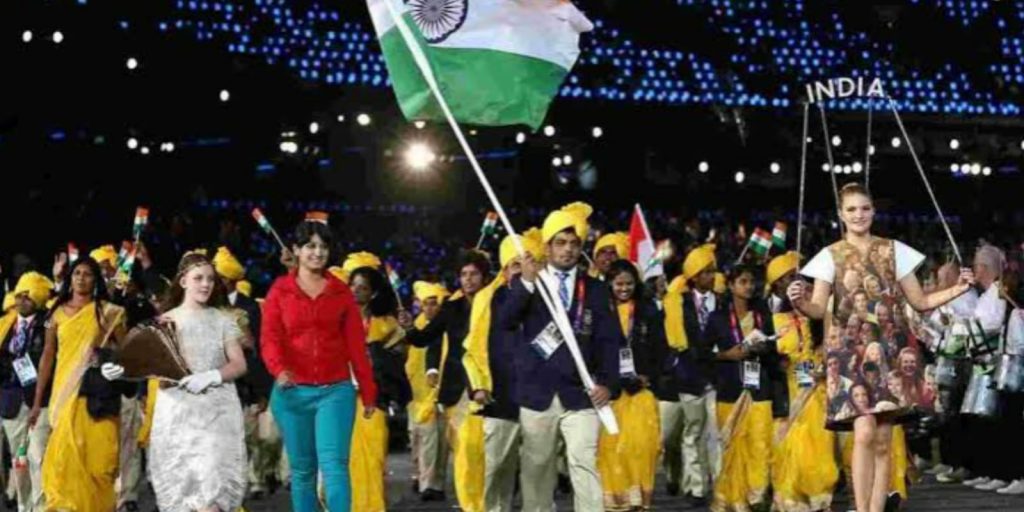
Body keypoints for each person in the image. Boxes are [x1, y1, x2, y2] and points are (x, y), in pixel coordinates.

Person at [789, 182, 974, 512]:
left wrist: (957, 289)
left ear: (873, 211)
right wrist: (802, 301)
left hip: (891, 348)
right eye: (851, 210)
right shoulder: (829, 256)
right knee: (863, 433)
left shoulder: (895, 250)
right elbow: (818, 309)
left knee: (884, 440)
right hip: (847, 353)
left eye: (864, 208)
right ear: (841, 215)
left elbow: (919, 302)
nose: (859, 215)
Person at [496, 202, 622, 512]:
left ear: (581, 247)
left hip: (583, 394)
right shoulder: (528, 283)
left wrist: (609, 384)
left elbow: (611, 342)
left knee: (585, 464)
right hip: (537, 393)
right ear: (548, 246)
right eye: (560, 243)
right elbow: (505, 322)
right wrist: (525, 282)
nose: (567, 250)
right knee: (537, 470)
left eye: (574, 243)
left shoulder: (595, 290)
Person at [115, 251, 249, 511]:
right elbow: (150, 366)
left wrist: (212, 376)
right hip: (176, 412)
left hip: (216, 412)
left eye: (210, 278)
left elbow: (239, 363)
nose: (206, 284)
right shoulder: (165, 321)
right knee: (181, 491)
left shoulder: (223, 319)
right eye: (198, 278)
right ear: (183, 281)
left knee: (213, 487)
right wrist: (120, 369)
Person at [261, 218, 378, 512]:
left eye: (323, 246)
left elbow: (356, 346)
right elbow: (270, 338)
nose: (317, 252)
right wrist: (278, 369)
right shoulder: (279, 291)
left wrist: (368, 390)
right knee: (302, 472)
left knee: (336, 466)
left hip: (335, 392)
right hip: (293, 392)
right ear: (297, 250)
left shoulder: (341, 293)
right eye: (310, 246)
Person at [31, 256, 129, 512]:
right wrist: (37, 401)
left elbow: (128, 352)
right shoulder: (57, 312)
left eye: (87, 274)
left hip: (95, 395)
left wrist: (108, 360)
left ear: (95, 280)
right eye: (77, 273)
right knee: (63, 462)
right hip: (64, 396)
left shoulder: (109, 312)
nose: (81, 278)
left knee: (96, 463)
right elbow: (47, 358)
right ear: (70, 278)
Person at [400, 249, 492, 509]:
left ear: (485, 277)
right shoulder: (451, 308)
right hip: (458, 389)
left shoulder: (496, 303)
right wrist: (408, 326)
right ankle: (471, 504)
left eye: (474, 274)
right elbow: (423, 337)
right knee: (465, 450)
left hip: (492, 385)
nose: (468, 279)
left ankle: (488, 499)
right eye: (464, 274)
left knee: (487, 451)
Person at [462, 228, 545, 512]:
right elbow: (474, 346)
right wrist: (478, 386)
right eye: (514, 264)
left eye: (527, 263)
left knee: (537, 469)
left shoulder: (548, 300)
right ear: (505, 269)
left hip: (539, 396)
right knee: (496, 468)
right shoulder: (492, 299)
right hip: (501, 395)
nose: (521, 270)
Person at [765, 252, 839, 512]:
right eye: (787, 280)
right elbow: (766, 359)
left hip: (816, 394)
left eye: (800, 278)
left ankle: (820, 499)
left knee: (819, 446)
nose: (797, 284)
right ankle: (790, 501)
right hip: (786, 397)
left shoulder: (818, 317)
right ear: (776, 287)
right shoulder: (771, 320)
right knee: (788, 449)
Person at [344, 255, 413, 512]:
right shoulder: (334, 321)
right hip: (340, 400)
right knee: (345, 461)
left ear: (372, 293)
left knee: (372, 459)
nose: (356, 291)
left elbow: (402, 354)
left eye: (362, 287)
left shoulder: (386, 325)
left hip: (374, 401)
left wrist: (407, 330)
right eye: (353, 286)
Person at [706, 265, 777, 512]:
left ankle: (756, 497)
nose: (749, 286)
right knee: (732, 448)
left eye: (751, 282)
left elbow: (774, 348)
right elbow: (702, 353)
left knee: (759, 444)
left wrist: (764, 348)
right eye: (743, 281)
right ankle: (734, 501)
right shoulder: (717, 318)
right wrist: (727, 355)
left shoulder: (763, 315)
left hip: (760, 389)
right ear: (731, 285)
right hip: (730, 389)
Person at [596, 259, 664, 511]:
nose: (624, 288)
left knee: (641, 447)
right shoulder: (601, 311)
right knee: (612, 448)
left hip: (640, 391)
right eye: (619, 284)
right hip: (610, 391)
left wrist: (649, 375)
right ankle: (616, 501)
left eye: (629, 284)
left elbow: (662, 350)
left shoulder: (649, 312)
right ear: (610, 284)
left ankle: (638, 501)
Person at [959, 244, 1024, 494]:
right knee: (999, 420)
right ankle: (1001, 472)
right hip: (1002, 360)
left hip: (1011, 360)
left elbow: (994, 323)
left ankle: (1015, 474)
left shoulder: (1001, 292)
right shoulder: (996, 293)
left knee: (1011, 419)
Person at [658, 243, 719, 506]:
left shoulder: (724, 300)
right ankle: (696, 487)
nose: (712, 276)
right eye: (706, 272)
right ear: (693, 276)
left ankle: (720, 482)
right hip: (690, 377)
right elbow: (676, 342)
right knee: (692, 433)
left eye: (713, 270)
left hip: (718, 378)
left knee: (716, 434)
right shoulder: (677, 303)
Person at [213, 246, 275, 500]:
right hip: (217, 382)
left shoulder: (250, 307)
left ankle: (257, 478)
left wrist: (263, 391)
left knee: (251, 436)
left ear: (227, 280)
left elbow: (261, 348)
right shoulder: (206, 305)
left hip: (245, 383)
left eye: (216, 276)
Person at [0, 272, 54, 512]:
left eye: (28, 296)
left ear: (39, 298)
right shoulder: (6, 324)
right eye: (19, 295)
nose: (21, 300)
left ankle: (42, 507)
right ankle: (24, 504)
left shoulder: (50, 323)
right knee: (19, 460)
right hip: (12, 402)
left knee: (38, 457)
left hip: (39, 402)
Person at [407, 281, 450, 498]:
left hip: (440, 392)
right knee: (419, 439)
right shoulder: (416, 327)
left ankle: (433, 484)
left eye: (435, 304)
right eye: (427, 304)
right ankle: (421, 477)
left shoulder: (446, 328)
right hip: (416, 396)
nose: (431, 308)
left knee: (438, 440)